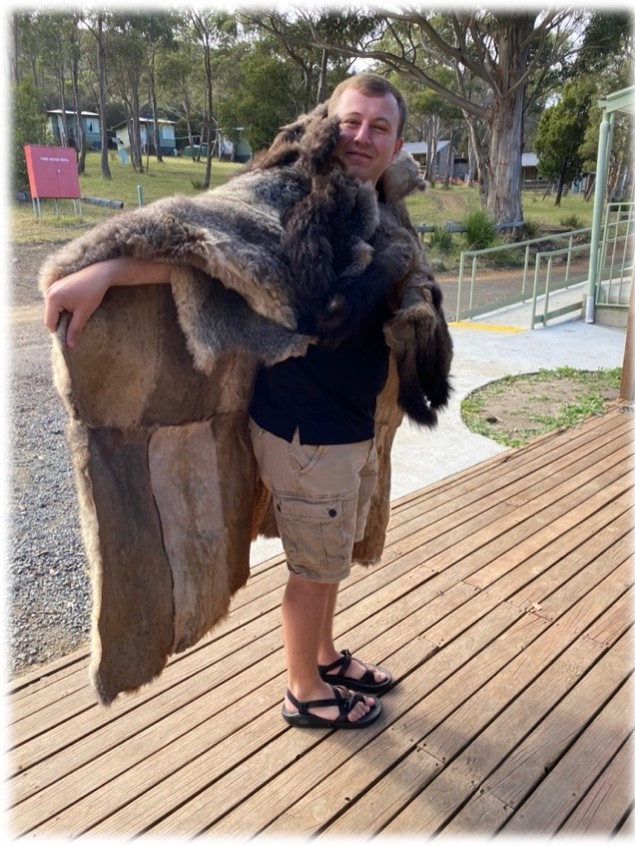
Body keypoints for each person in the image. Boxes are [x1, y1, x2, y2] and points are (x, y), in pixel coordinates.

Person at [44, 74, 409, 730]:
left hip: (350, 425)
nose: (361, 136)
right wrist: (107, 270)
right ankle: (304, 690)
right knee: (313, 570)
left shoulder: (382, 204)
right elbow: (205, 241)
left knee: (330, 559)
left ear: (396, 143)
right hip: (309, 432)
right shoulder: (293, 188)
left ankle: (324, 656)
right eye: (351, 121)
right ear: (327, 123)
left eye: (378, 127)